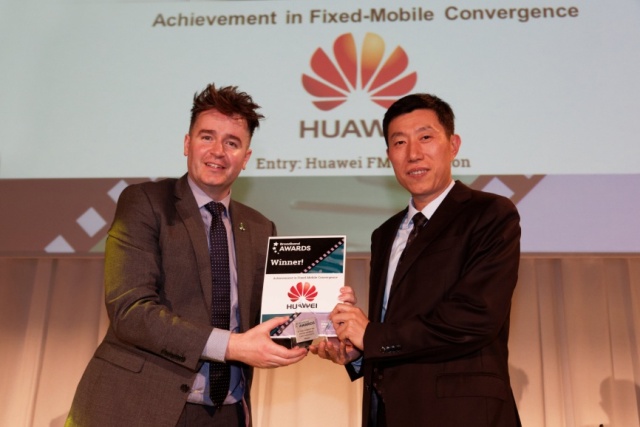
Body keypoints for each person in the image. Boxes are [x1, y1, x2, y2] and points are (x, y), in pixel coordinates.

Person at [65, 84, 308, 427]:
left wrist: (320, 323)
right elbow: (131, 311)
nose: (218, 151)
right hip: (139, 408)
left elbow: (272, 317)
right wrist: (231, 347)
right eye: (207, 137)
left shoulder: (260, 227)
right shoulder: (144, 203)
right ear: (187, 143)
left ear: (246, 158)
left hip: (228, 411)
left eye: (232, 143)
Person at [311, 93, 522, 426]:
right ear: (388, 156)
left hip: (462, 416)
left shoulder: (490, 213)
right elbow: (393, 328)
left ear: (453, 145)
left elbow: (476, 317)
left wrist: (372, 336)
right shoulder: (384, 234)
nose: (413, 153)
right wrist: (358, 350)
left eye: (425, 137)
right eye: (399, 142)